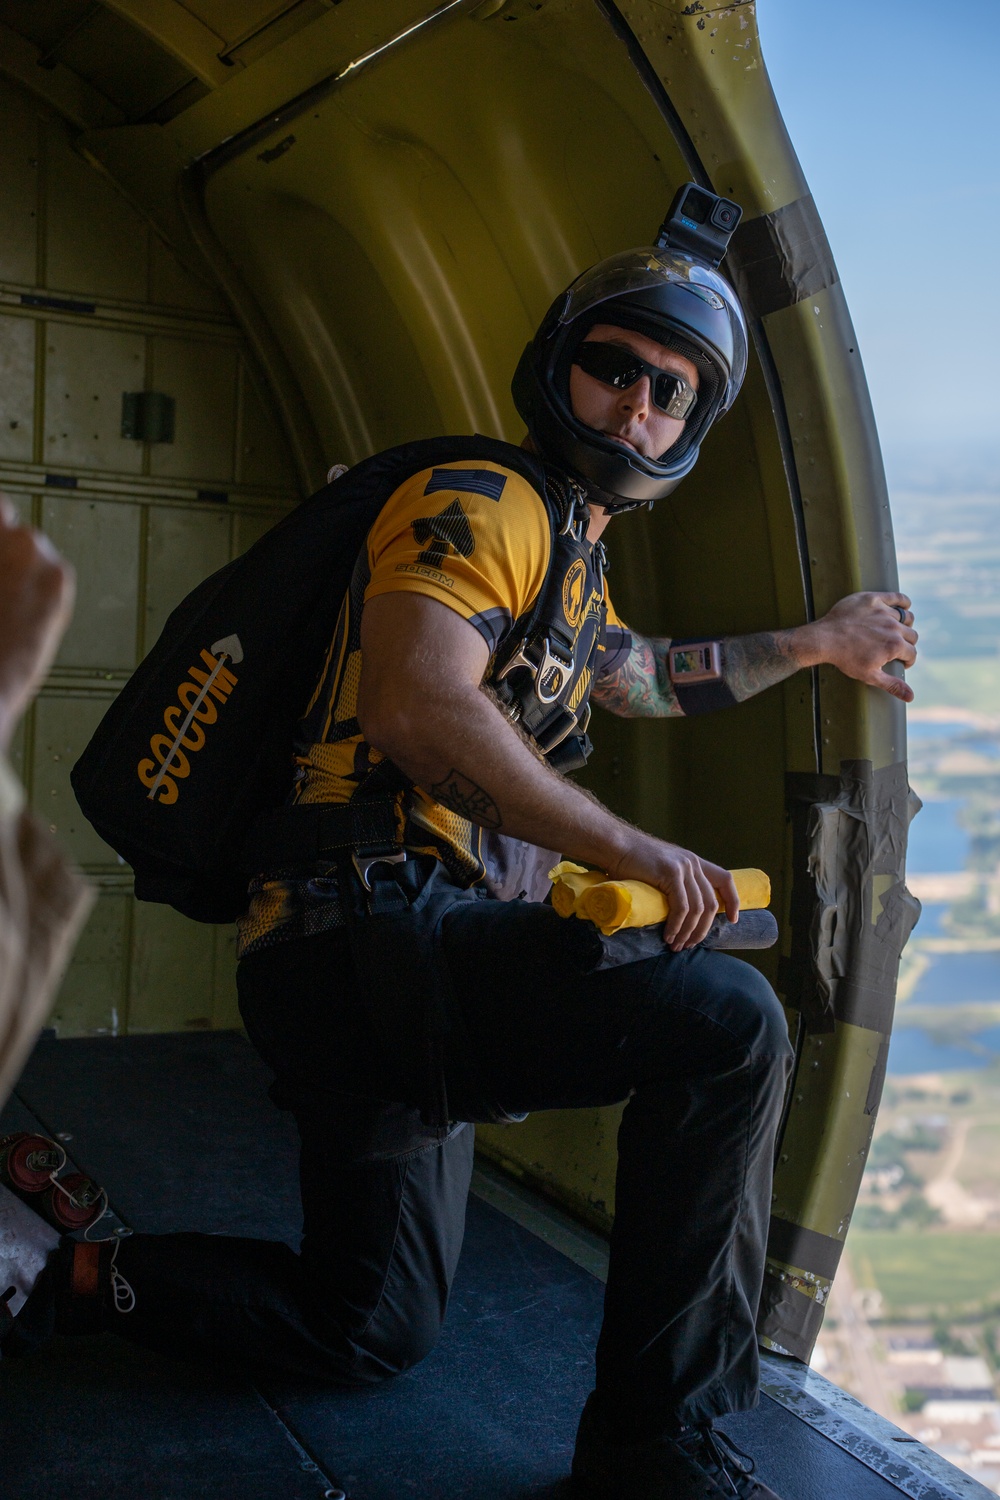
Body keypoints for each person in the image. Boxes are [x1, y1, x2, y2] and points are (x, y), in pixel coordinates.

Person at [1, 240, 917, 1498]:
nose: (639, 407)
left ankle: (54, 1270)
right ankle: (650, 1448)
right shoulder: (484, 499)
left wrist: (817, 644)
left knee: (361, 1323)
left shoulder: (570, 566)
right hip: (367, 929)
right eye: (616, 369)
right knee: (726, 1027)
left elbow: (642, 676)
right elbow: (418, 708)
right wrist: (633, 850)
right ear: (560, 366)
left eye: (673, 392)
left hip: (351, 964)